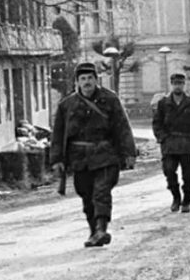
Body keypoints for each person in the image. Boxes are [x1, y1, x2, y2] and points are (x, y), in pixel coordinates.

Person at [50, 62, 136, 247]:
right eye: (83, 79)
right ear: (77, 82)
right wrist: (57, 160)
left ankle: (102, 228)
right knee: (86, 194)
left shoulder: (110, 99)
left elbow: (122, 126)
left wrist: (129, 152)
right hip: (80, 159)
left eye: (90, 78)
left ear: (96, 80)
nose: (87, 82)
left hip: (106, 155)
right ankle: (94, 231)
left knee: (101, 192)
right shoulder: (67, 105)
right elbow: (58, 134)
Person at [152, 72, 190, 213]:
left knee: (189, 175)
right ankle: (176, 198)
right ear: (172, 85)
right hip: (170, 144)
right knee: (169, 172)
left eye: (180, 83)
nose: (178, 86)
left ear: (184, 85)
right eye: (175, 83)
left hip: (187, 143)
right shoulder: (163, 103)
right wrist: (162, 138)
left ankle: (187, 200)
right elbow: (157, 124)